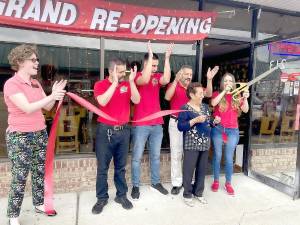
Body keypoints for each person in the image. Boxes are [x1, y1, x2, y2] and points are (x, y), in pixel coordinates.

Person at [4, 44, 66, 225]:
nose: (37, 63)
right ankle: (13, 215)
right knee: (20, 176)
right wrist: (51, 95)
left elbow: (46, 107)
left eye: (37, 59)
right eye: (33, 60)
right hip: (20, 136)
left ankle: (39, 203)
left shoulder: (35, 83)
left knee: (40, 171)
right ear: (19, 62)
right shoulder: (11, 84)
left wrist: (56, 96)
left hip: (40, 133)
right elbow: (27, 108)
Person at [92, 58, 140, 214]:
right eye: (120, 71)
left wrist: (131, 82)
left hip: (124, 131)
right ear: (110, 71)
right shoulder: (100, 85)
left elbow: (136, 100)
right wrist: (114, 83)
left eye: (124, 71)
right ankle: (101, 198)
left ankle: (121, 195)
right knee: (102, 168)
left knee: (120, 167)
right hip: (105, 131)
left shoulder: (127, 84)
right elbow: (102, 102)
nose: (123, 74)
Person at [165, 65, 219, 195]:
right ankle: (177, 183)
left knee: (191, 156)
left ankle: (189, 183)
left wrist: (209, 79)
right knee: (177, 154)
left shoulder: (194, 88)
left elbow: (209, 94)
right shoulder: (174, 85)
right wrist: (175, 81)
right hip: (177, 122)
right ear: (180, 74)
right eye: (186, 74)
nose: (189, 76)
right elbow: (167, 97)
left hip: (195, 124)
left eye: (190, 74)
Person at [131, 41, 173, 200]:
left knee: (155, 156)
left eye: (157, 66)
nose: (155, 69)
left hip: (157, 124)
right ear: (145, 64)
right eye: (153, 65)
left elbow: (167, 78)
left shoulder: (156, 77)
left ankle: (156, 183)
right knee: (137, 157)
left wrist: (167, 59)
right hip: (141, 124)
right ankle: (135, 186)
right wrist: (149, 55)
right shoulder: (137, 76)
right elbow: (144, 78)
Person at [177, 82, 220, 207]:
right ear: (192, 94)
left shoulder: (205, 107)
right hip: (191, 144)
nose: (203, 95)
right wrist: (194, 120)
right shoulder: (185, 108)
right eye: (200, 93)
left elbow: (209, 121)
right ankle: (187, 194)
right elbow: (181, 127)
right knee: (189, 170)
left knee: (202, 170)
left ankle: (198, 193)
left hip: (205, 143)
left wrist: (214, 121)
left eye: (203, 93)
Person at [210, 73, 249, 195]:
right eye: (225, 81)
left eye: (230, 81)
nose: (228, 83)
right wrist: (224, 92)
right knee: (217, 155)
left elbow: (246, 110)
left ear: (233, 83)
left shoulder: (237, 95)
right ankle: (216, 180)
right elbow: (213, 103)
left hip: (232, 130)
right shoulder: (217, 94)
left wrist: (245, 98)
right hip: (218, 129)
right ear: (222, 83)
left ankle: (228, 183)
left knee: (228, 157)